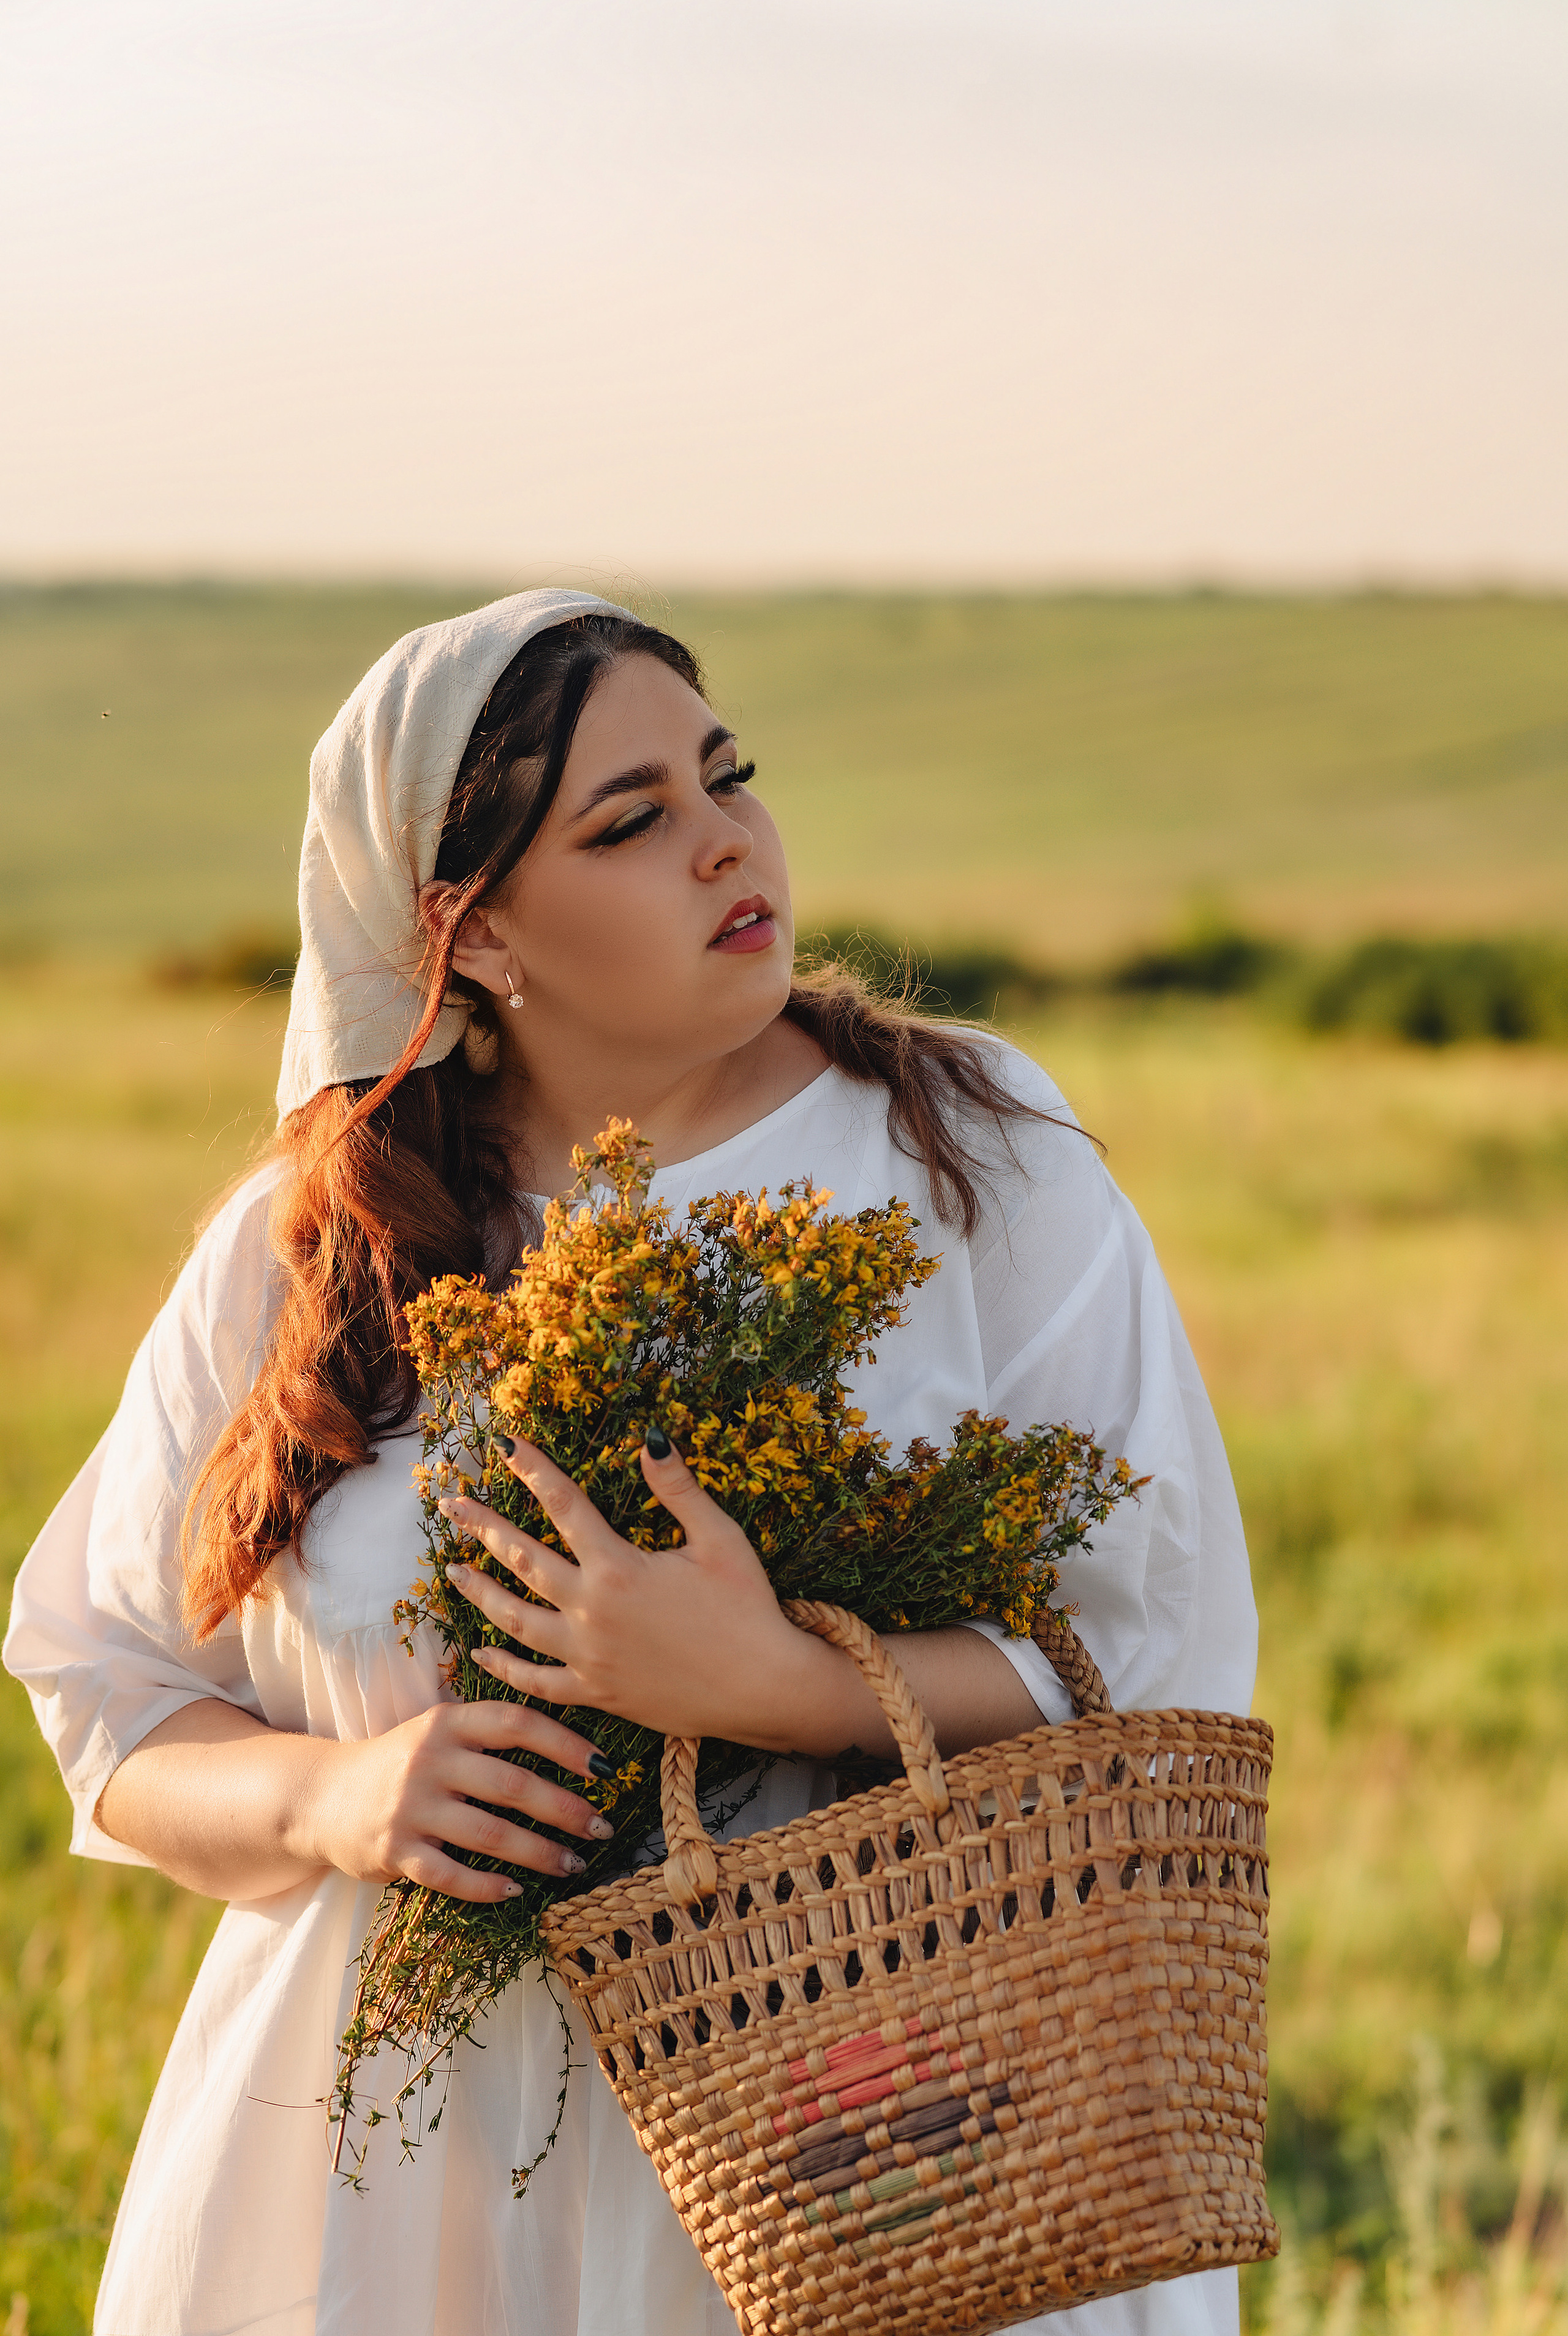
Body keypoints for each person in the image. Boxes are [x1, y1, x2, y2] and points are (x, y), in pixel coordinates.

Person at [4, 589, 1259, 2336]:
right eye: (632, 819)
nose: (725, 841)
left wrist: (790, 1686)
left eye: (724, 773)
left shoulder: (971, 1161)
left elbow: (1157, 1647)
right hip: (408, 2183)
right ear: (478, 931)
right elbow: (109, 1696)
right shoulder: (317, 1249)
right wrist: (331, 1799)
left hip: (887, 2126)